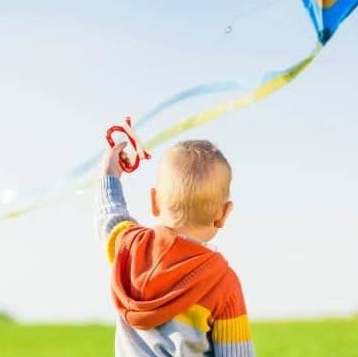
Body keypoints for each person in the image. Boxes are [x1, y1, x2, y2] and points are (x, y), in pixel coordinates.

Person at [95, 139, 255, 356]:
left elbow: (110, 213)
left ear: (154, 201)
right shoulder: (222, 282)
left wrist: (110, 174)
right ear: (224, 213)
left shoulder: (130, 248)